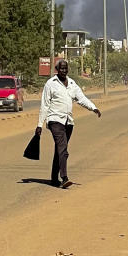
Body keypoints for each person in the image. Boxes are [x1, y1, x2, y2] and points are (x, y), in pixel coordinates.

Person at [35, 59, 101, 189]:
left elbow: (81, 99)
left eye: (65, 68)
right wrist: (39, 124)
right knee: (63, 148)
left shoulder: (72, 83)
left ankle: (54, 178)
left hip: (68, 121)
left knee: (59, 150)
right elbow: (45, 105)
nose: (63, 71)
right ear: (57, 70)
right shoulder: (50, 84)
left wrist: (93, 108)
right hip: (55, 120)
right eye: (61, 69)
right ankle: (64, 177)